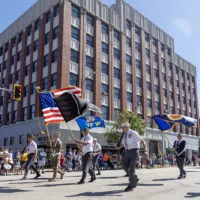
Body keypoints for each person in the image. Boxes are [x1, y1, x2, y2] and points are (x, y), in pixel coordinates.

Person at [117, 122, 147, 192]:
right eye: (122, 127)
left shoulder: (133, 133)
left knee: (131, 169)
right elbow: (123, 144)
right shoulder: (124, 135)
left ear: (127, 127)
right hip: (127, 152)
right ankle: (135, 178)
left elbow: (142, 141)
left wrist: (145, 150)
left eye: (123, 127)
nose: (122, 129)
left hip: (134, 151)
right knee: (124, 166)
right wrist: (119, 147)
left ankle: (131, 185)